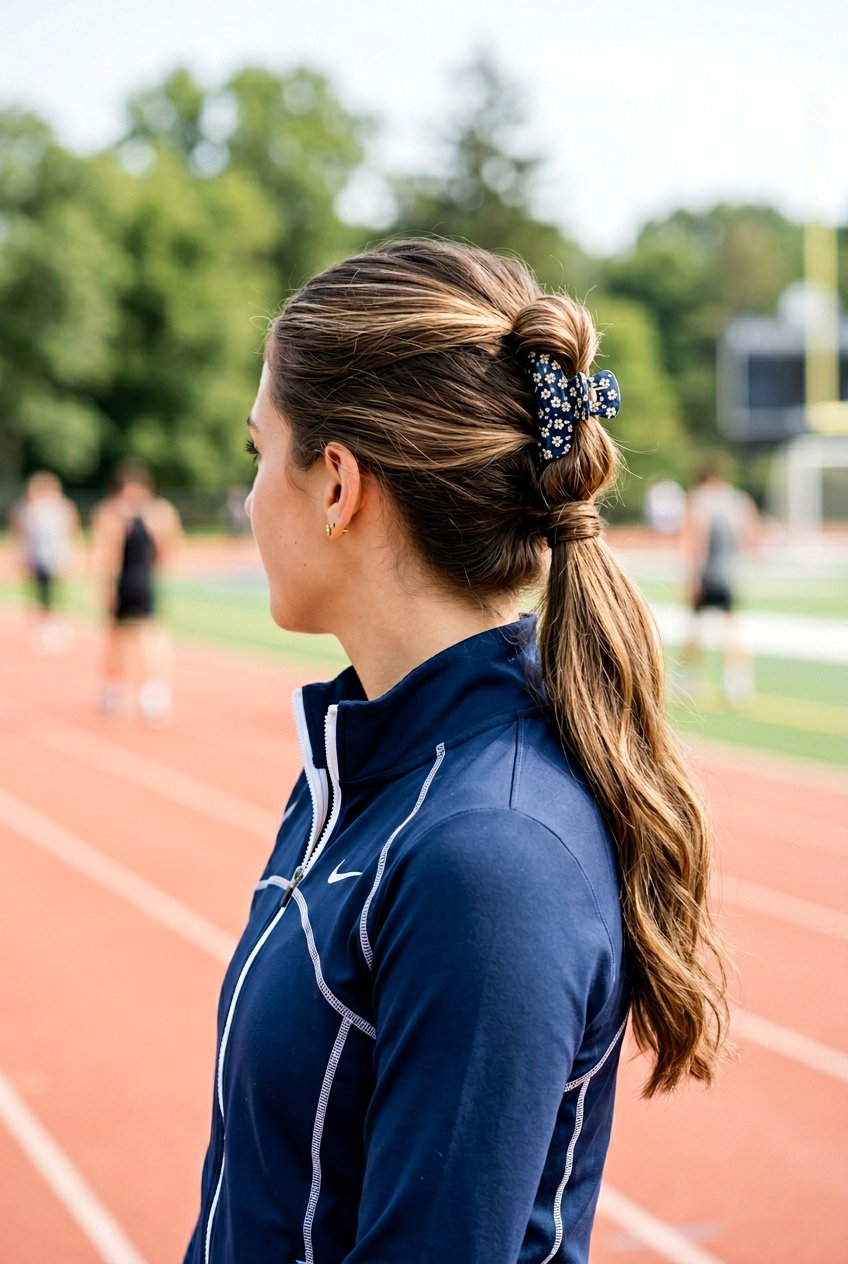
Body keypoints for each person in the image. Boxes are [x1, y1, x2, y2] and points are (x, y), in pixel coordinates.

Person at [185, 240, 727, 1264]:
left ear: (336, 483)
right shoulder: (367, 766)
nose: (251, 497)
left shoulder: (488, 858)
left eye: (258, 453)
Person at [90, 461, 181, 724]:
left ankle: (146, 692)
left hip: (132, 581)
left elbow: (108, 554)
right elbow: (166, 549)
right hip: (138, 579)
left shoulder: (113, 513)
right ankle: (121, 690)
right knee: (122, 637)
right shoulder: (157, 513)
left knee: (147, 636)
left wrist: (104, 586)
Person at [681, 456, 761, 703]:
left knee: (695, 628)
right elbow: (752, 534)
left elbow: (697, 540)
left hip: (706, 573)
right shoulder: (737, 500)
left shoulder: (698, 501)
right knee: (732, 629)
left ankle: (689, 679)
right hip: (729, 573)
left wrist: (693, 576)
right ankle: (738, 682)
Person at [9, 470, 79, 653]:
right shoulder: (29, 508)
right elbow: (20, 530)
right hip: (37, 557)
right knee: (39, 594)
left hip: (57, 556)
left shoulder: (61, 507)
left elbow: (71, 530)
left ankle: (59, 625)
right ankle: (40, 626)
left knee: (59, 594)